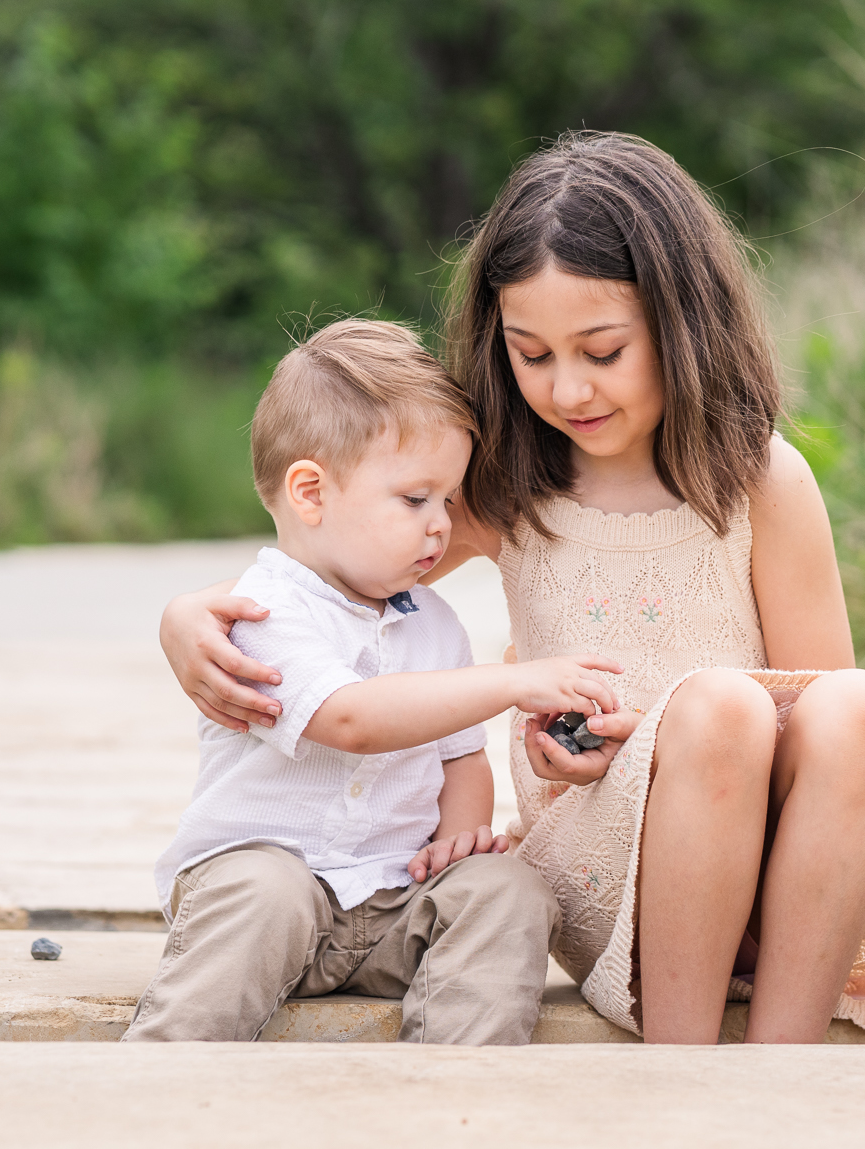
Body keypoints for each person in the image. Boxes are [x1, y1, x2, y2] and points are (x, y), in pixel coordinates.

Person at [158, 134, 865, 1045]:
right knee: (721, 707)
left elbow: (820, 721)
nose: (568, 388)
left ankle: (781, 1059)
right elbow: (323, 571)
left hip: (775, 882)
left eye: (603, 351)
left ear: (681, 324)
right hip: (616, 883)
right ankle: (679, 1057)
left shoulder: (763, 482)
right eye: (531, 355)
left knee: (859, 707)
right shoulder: (509, 490)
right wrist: (187, 617)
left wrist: (663, 731)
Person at [124, 318, 624, 1046]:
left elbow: (461, 758)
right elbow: (350, 717)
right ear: (310, 492)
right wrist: (513, 683)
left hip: (392, 897)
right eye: (415, 499)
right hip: (267, 887)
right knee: (267, 895)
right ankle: (167, 1066)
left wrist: (459, 841)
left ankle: (459, 1075)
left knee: (508, 889)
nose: (441, 526)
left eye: (450, 501)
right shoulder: (262, 611)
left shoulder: (435, 624)